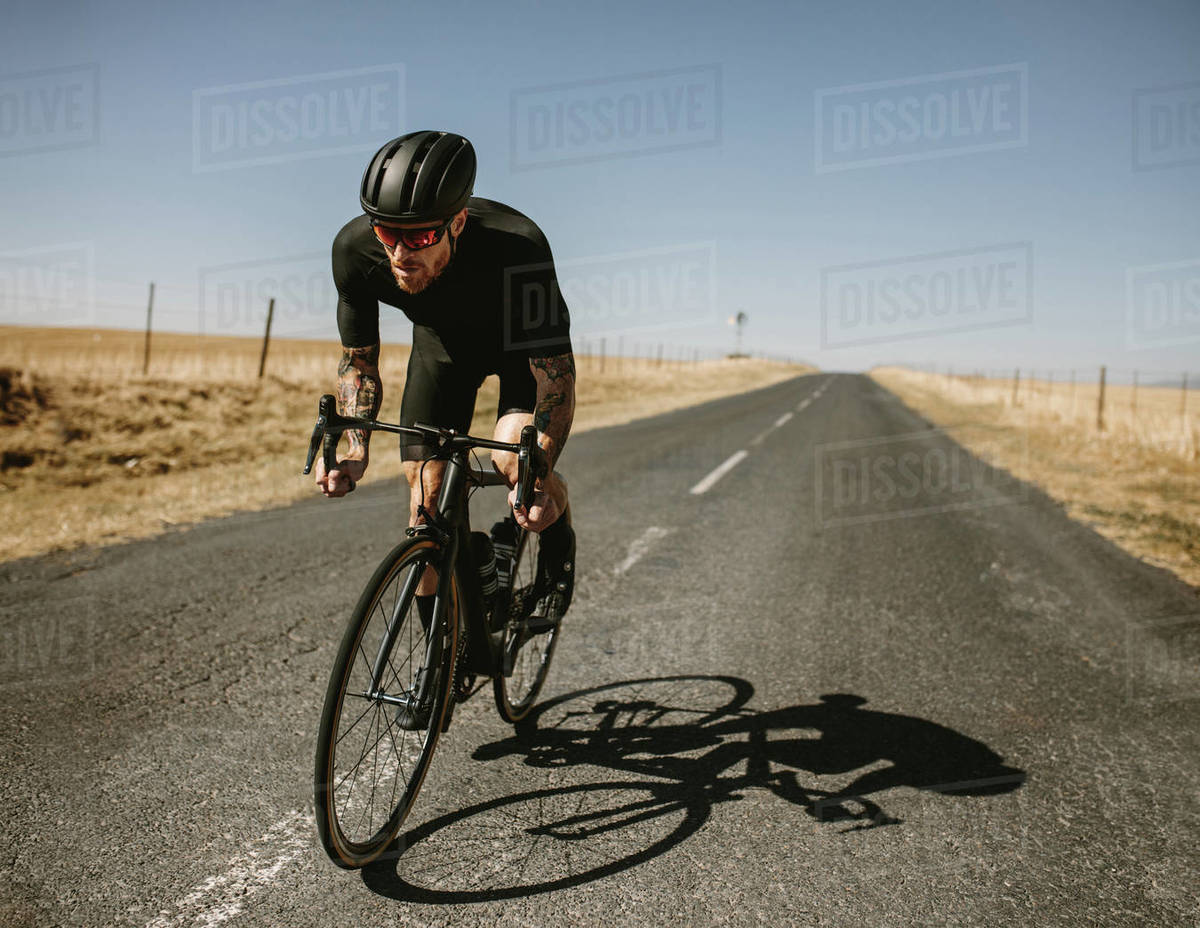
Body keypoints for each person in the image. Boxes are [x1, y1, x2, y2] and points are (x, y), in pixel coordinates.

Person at [314, 129, 576, 642]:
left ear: (457, 222)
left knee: (510, 462)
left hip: (518, 354)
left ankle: (558, 550)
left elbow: (555, 383)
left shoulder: (519, 246)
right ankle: (445, 659)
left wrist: (537, 475)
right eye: (386, 233)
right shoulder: (354, 251)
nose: (399, 253)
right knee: (425, 503)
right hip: (442, 351)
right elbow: (359, 363)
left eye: (418, 238)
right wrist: (354, 446)